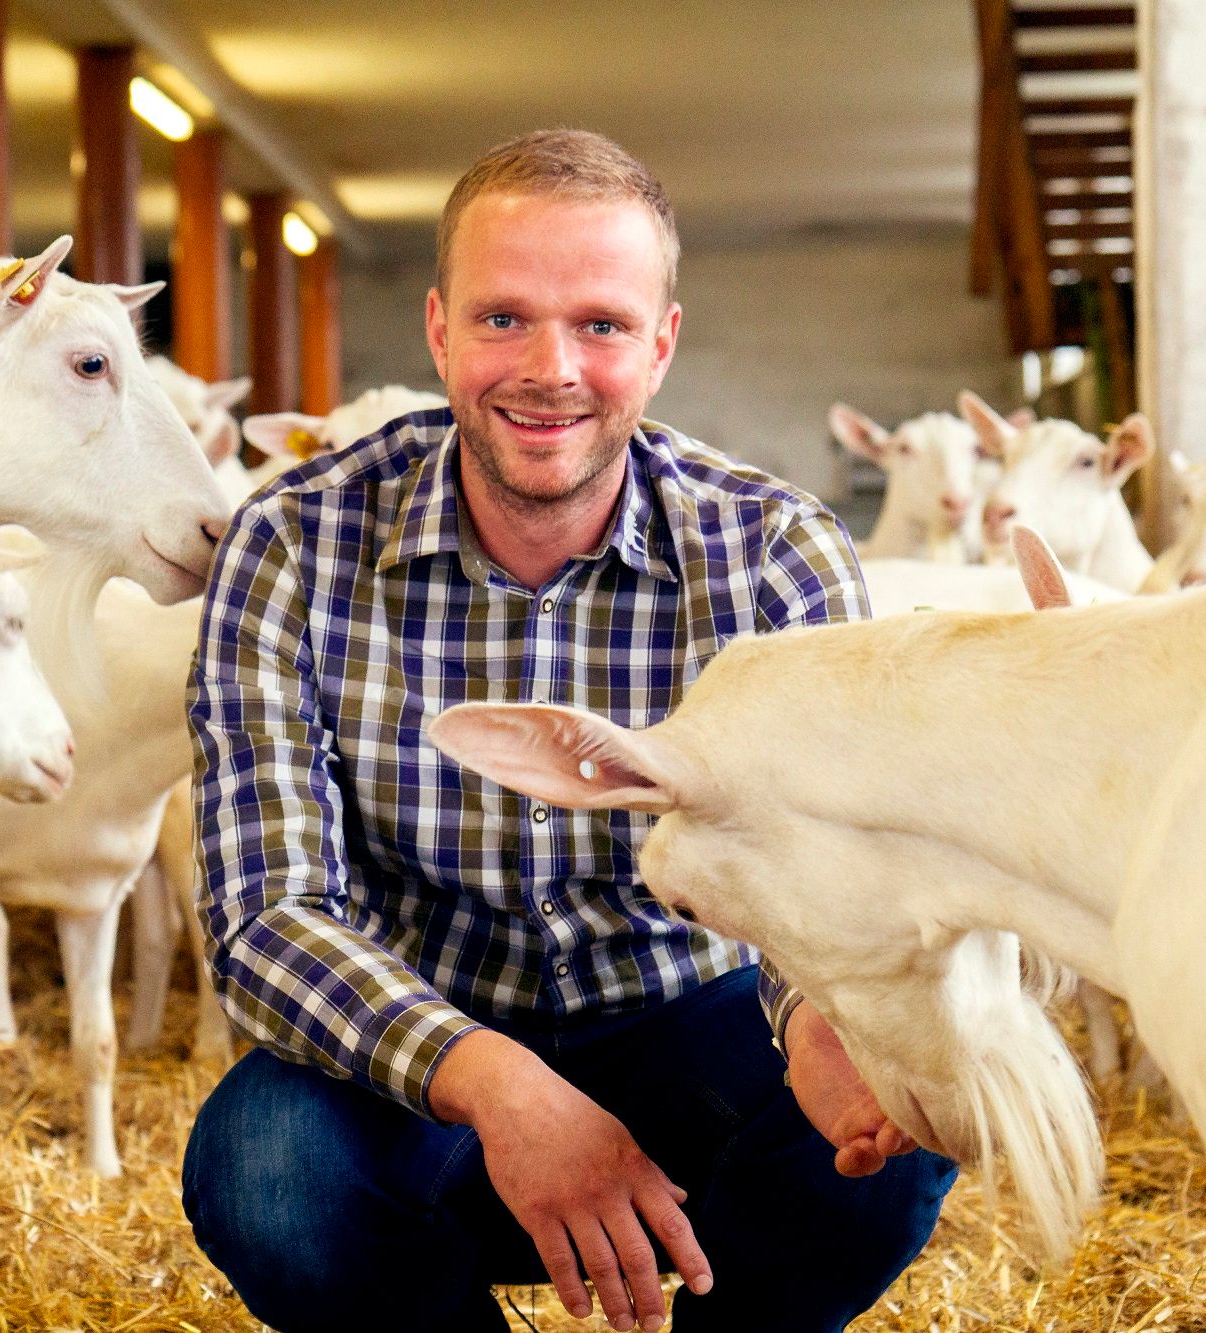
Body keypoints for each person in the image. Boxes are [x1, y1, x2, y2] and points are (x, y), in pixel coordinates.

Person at [183, 129, 955, 1333]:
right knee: (261, 1170)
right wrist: (498, 1084)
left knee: (902, 1107)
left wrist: (818, 1016)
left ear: (660, 344)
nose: (550, 369)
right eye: (503, 319)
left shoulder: (772, 552)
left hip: (694, 1026)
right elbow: (265, 914)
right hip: (418, 1057)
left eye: (599, 324)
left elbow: (828, 871)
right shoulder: (292, 543)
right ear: (439, 331)